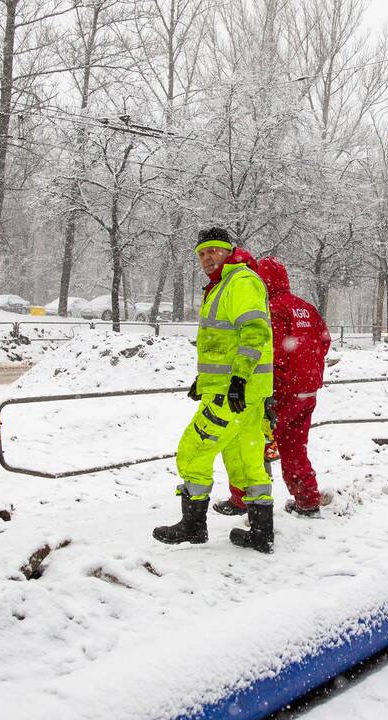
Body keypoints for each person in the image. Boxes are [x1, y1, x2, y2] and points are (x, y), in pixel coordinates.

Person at [152, 227, 276, 553]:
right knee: (246, 462)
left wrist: (237, 380)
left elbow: (254, 333)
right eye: (202, 253)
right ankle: (262, 533)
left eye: (214, 251)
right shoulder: (224, 285)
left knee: (193, 451)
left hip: (233, 394)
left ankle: (193, 527)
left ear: (228, 252)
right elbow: (223, 344)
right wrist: (205, 381)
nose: (207, 258)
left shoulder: (240, 282)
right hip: (240, 393)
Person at [213, 256, 332, 518]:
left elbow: (270, 352)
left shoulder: (269, 309)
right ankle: (307, 500)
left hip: (280, 392)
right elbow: (324, 341)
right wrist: (309, 370)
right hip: (307, 391)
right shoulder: (306, 307)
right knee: (294, 447)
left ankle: (245, 499)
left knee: (251, 444)